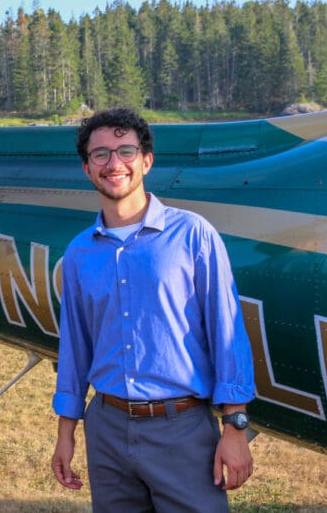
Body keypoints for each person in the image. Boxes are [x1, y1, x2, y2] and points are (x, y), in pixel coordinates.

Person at [51, 107, 256, 512]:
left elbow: (227, 332)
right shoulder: (79, 253)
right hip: (107, 429)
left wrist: (235, 426)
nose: (114, 163)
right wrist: (66, 432)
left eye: (126, 151)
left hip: (181, 428)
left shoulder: (193, 234)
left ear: (146, 161)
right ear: (87, 169)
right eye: (100, 154)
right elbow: (75, 347)